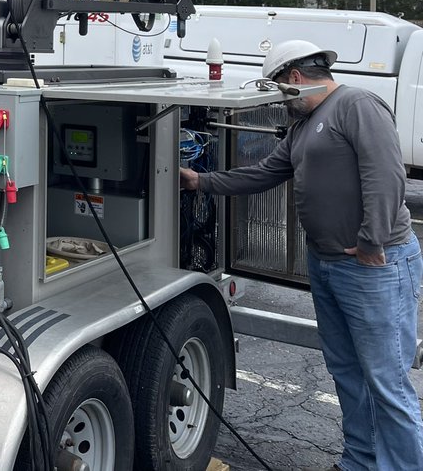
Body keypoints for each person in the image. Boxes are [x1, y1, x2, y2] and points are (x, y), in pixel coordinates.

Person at [180, 39, 423, 470]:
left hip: (372, 267)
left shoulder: (357, 105)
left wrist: (371, 242)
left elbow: (386, 176)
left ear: (293, 79)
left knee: (386, 381)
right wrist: (202, 182)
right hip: (329, 264)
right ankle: (361, 461)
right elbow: (263, 173)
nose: (278, 100)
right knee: (347, 372)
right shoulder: (301, 128)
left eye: (276, 88)